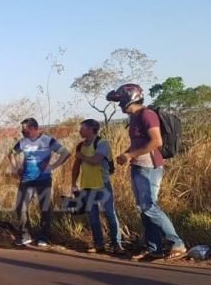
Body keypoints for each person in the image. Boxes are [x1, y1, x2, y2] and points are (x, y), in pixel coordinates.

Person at [106, 83, 187, 261]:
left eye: (120, 101)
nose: (119, 105)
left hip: (149, 167)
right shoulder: (134, 118)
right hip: (139, 166)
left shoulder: (146, 115)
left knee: (149, 207)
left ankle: (177, 243)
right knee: (144, 209)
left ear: (130, 98)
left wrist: (130, 154)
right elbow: (138, 143)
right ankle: (154, 248)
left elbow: (156, 141)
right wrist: (127, 155)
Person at [8, 118, 71, 247]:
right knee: (21, 207)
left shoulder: (48, 140)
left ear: (33, 129)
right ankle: (25, 235)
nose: (22, 132)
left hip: (43, 179)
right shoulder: (23, 142)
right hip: (26, 179)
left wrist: (53, 166)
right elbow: (11, 154)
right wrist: (16, 168)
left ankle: (44, 237)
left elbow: (65, 153)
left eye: (24, 130)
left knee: (45, 208)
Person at [70, 119, 124, 254]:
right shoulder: (80, 146)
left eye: (82, 128)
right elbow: (76, 167)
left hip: (102, 184)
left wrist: (81, 156)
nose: (80, 131)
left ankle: (117, 244)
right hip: (87, 185)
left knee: (110, 214)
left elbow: (96, 160)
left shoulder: (102, 143)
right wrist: (73, 183)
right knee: (92, 216)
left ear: (90, 129)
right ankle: (99, 244)